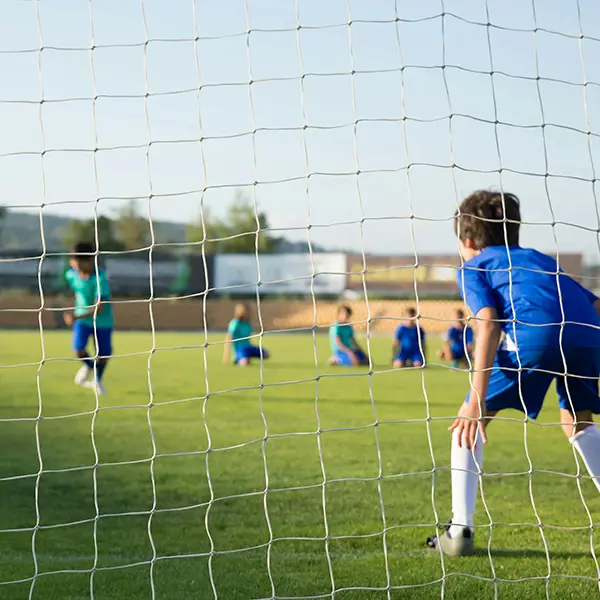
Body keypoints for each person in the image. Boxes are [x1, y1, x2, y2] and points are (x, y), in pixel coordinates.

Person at [427, 190, 600, 557]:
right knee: (579, 422)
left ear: (467, 240)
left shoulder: (474, 266)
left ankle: (460, 530)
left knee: (470, 420)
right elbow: (594, 302)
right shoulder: (540, 259)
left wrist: (475, 398)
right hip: (587, 335)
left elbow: (487, 321)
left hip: (535, 339)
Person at [64, 242, 114, 395]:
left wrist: (76, 315)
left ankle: (97, 380)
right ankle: (89, 366)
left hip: (102, 321)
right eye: (73, 261)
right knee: (79, 349)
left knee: (104, 354)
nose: (75, 266)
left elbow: (100, 307)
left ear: (90, 260)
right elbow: (77, 291)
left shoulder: (100, 279)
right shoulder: (71, 274)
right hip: (83, 320)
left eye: (79, 263)